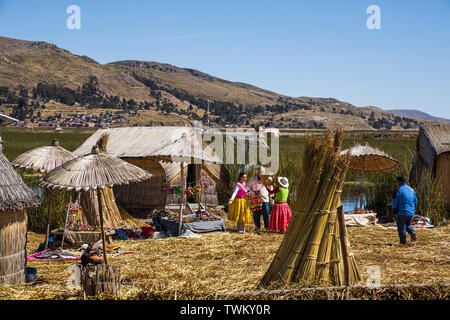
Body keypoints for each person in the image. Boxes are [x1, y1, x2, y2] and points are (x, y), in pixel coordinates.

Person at [392, 176, 417, 245]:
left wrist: (394, 211)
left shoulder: (398, 190)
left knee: (401, 226)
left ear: (399, 181)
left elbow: (394, 202)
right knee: (407, 225)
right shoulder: (412, 190)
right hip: (411, 212)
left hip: (402, 212)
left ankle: (403, 242)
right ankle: (412, 232)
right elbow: (415, 202)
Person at [249, 166, 270, 231]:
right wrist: (250, 192)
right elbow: (248, 187)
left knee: (266, 213)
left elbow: (270, 188)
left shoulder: (267, 179)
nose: (262, 174)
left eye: (263, 172)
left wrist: (272, 198)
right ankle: (257, 227)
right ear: (258, 172)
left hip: (265, 199)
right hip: (255, 199)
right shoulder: (253, 179)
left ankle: (267, 228)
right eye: (261, 172)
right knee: (256, 214)